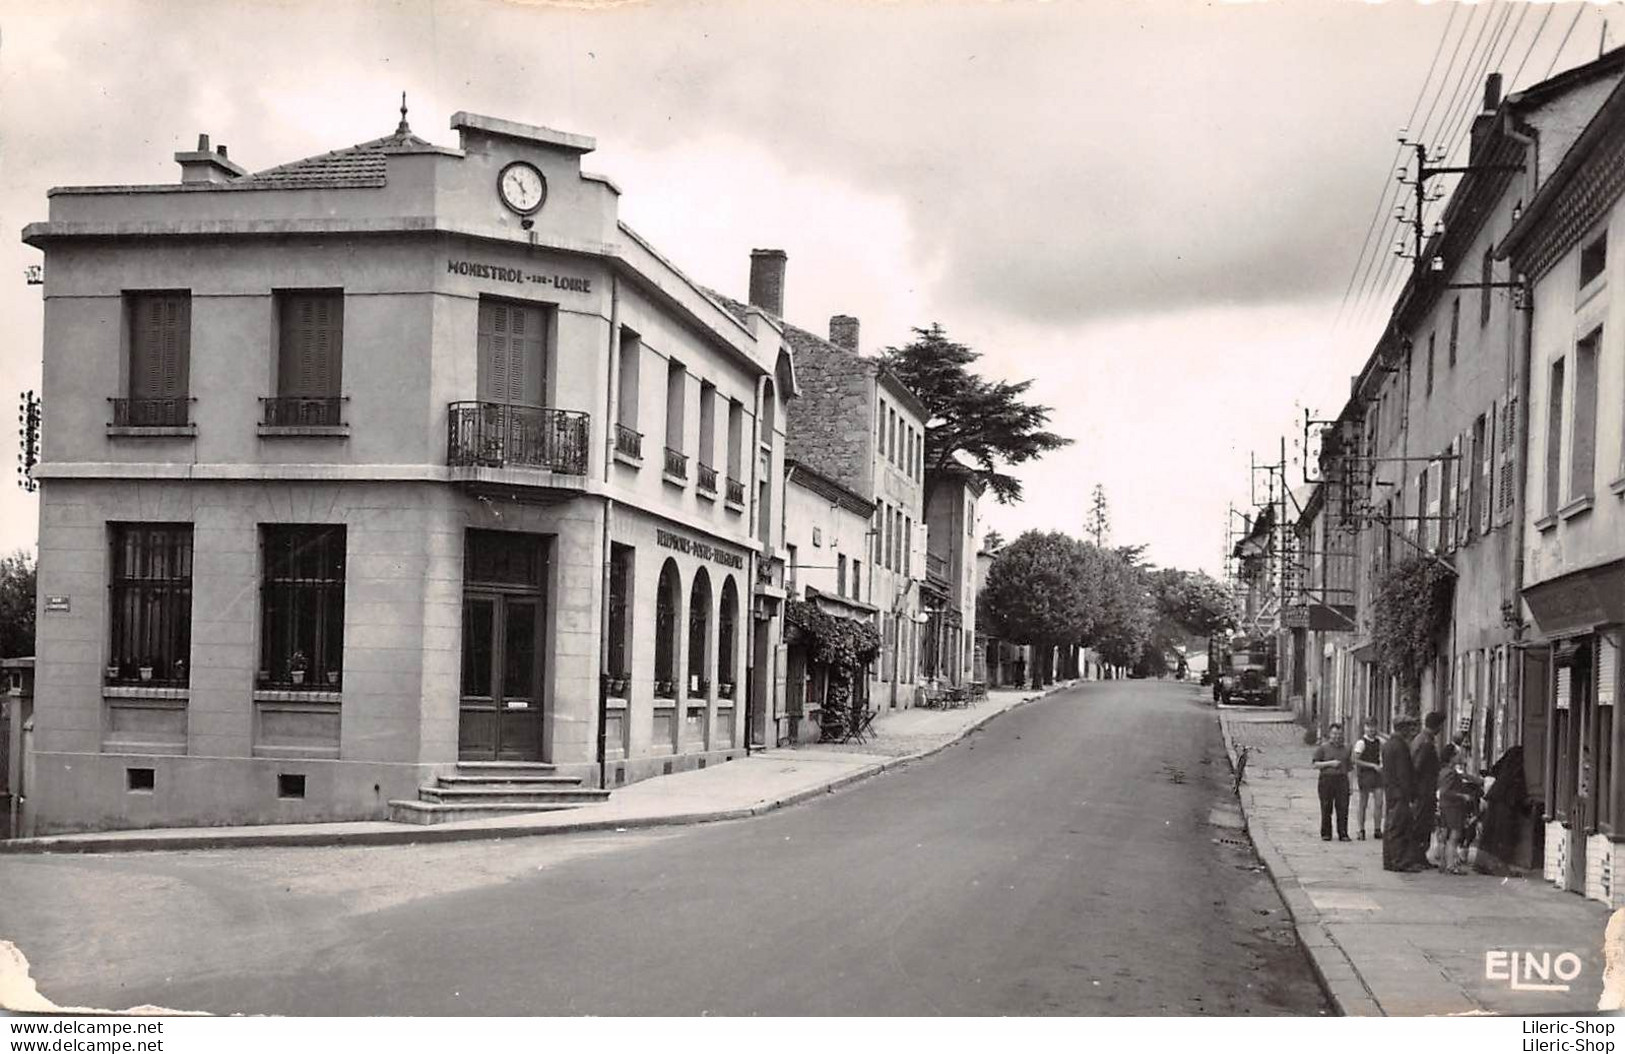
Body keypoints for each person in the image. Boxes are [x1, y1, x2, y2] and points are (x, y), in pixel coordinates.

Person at [1381, 716, 1425, 871]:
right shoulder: (1400, 746)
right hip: (1400, 794)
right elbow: (1403, 774)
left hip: (1391, 792)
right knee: (1398, 828)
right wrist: (1410, 794)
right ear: (1402, 728)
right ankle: (1399, 861)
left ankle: (1389, 860)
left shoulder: (1388, 745)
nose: (1411, 731)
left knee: (1391, 827)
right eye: (1408, 727)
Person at [1437, 743, 1485, 875]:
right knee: (1454, 835)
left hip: (1445, 806)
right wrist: (1462, 796)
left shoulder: (1445, 771)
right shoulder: (1450, 773)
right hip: (1452, 807)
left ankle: (1444, 863)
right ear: (1451, 757)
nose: (1460, 755)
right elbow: (1446, 791)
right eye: (1457, 754)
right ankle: (1451, 866)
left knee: (1445, 835)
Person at [1411, 711, 1446, 868]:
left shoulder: (1421, 738)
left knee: (1423, 822)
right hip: (1424, 789)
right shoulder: (1426, 742)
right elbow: (1418, 767)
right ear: (1437, 726)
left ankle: (1420, 856)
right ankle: (1418, 856)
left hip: (1424, 788)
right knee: (1422, 822)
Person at [1312, 722, 1353, 841]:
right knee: (1326, 807)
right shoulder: (1323, 748)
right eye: (1334, 734)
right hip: (1327, 780)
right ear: (1330, 734)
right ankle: (1326, 833)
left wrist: (1350, 785)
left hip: (1342, 780)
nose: (1337, 737)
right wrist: (1330, 763)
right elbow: (1315, 764)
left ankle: (1343, 832)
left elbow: (1349, 768)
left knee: (1343, 807)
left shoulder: (1346, 748)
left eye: (1339, 734)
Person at [1351, 719, 1384, 841]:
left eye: (1374, 727)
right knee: (1363, 803)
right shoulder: (1361, 743)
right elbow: (1355, 760)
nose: (1371, 729)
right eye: (1369, 727)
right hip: (1366, 774)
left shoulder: (1379, 741)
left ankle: (1377, 829)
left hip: (1377, 774)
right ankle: (1361, 829)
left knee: (1379, 802)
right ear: (1364, 728)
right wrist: (1372, 765)